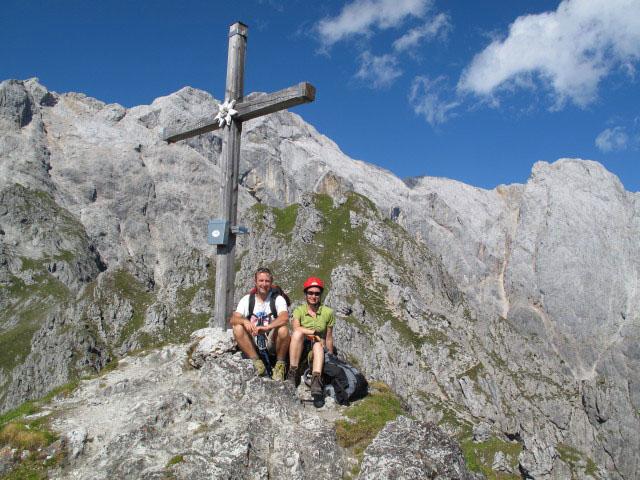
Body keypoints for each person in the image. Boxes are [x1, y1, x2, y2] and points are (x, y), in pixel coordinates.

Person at [230, 267, 291, 380]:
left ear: (271, 283)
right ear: (255, 282)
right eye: (261, 281)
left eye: (267, 281)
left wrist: (267, 327)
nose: (264, 284)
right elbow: (233, 319)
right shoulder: (247, 299)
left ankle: (280, 365)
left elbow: (284, 317)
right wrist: (244, 321)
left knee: (283, 330)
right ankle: (257, 363)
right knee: (237, 328)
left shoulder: (277, 299)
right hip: (253, 340)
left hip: (271, 341)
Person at [287, 277, 334, 396]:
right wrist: (314, 332)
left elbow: (328, 337)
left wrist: (331, 357)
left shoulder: (327, 312)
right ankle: (293, 371)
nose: (313, 296)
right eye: (310, 293)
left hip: (318, 346)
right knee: (297, 334)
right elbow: (296, 328)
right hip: (302, 345)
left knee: (318, 345)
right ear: (306, 294)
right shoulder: (299, 310)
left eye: (317, 293)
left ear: (321, 294)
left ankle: (316, 379)